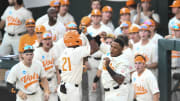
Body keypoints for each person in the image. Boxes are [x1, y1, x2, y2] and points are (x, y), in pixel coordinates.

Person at [56, 30, 90, 101]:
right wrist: (86, 34)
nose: (79, 39)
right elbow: (93, 48)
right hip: (71, 88)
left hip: (63, 86)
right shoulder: (76, 51)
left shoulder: (64, 52)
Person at [33, 32, 61, 101]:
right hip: (40, 83)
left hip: (52, 81)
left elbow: (58, 70)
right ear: (41, 41)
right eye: (45, 39)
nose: (47, 41)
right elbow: (35, 74)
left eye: (49, 39)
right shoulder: (37, 53)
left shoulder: (53, 51)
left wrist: (59, 84)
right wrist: (45, 89)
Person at [166, 23, 180, 101]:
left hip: (179, 69)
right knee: (171, 93)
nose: (175, 32)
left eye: (177, 30)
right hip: (170, 70)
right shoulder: (169, 40)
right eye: (174, 30)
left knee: (178, 93)